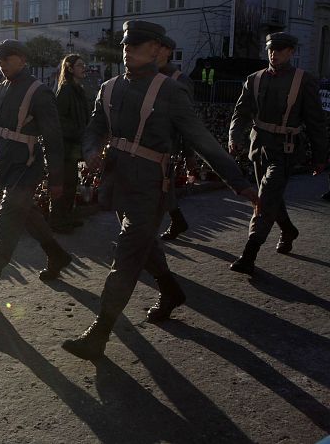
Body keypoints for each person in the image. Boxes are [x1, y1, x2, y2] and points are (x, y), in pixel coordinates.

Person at [61, 21, 259, 360]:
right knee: (143, 246)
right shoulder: (108, 87)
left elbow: (202, 139)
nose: (128, 52)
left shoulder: (169, 91)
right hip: (118, 183)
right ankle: (171, 291)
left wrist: (240, 183)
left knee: (125, 257)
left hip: (150, 188)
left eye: (137, 46)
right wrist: (92, 150)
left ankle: (99, 334)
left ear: (156, 49)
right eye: (126, 45)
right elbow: (94, 128)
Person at [0, 39, 71, 310]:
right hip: (7, 165)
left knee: (6, 223)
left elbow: (54, 140)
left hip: (27, 167)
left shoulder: (39, 92)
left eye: (6, 58)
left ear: (22, 59)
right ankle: (57, 255)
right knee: (27, 213)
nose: (1, 63)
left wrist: (57, 179)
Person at [228, 32, 327, 275]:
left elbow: (315, 121)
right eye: (271, 49)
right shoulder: (255, 79)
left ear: (291, 52)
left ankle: (250, 252)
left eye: (281, 50)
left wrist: (320, 156)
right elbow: (241, 112)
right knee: (270, 195)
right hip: (259, 145)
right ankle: (288, 229)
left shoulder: (304, 81)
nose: (274, 53)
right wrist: (234, 136)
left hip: (285, 149)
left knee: (267, 195)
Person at [157, 35, 196, 241]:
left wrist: (189, 154)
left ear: (168, 52)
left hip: (167, 145)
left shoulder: (180, 81)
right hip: (143, 143)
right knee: (162, 188)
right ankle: (178, 220)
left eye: (159, 47)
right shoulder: (146, 74)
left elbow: (188, 122)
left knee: (163, 187)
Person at [49, 53, 89, 233]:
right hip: (65, 146)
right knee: (63, 184)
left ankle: (67, 216)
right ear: (71, 68)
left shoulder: (77, 89)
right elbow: (59, 120)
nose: (84, 68)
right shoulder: (65, 90)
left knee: (72, 182)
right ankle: (58, 221)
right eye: (80, 65)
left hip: (73, 146)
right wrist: (79, 132)